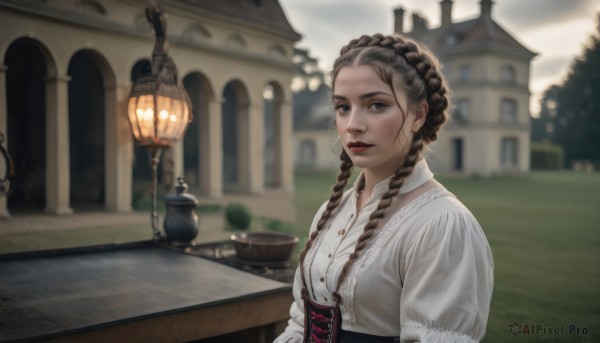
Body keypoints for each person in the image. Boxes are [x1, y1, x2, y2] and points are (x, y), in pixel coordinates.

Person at [274, 33, 494, 343]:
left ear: (419, 114)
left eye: (376, 105)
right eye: (342, 107)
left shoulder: (441, 225)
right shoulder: (332, 211)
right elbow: (300, 323)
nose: (353, 124)